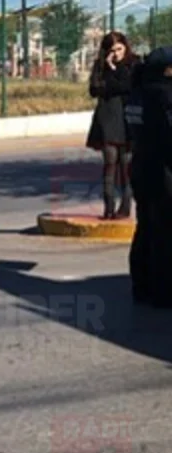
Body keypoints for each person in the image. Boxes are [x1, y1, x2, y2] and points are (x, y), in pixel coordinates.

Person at [129, 46, 172, 307]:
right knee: (165, 234)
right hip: (164, 172)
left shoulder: (136, 94)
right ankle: (163, 291)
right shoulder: (164, 95)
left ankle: (142, 286)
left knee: (145, 227)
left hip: (141, 168)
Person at [86, 32, 140, 220]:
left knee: (127, 167)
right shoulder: (101, 66)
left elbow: (128, 86)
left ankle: (124, 208)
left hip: (127, 121)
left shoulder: (134, 64)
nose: (116, 54)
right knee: (110, 165)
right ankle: (108, 207)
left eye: (119, 49)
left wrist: (113, 73)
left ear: (125, 47)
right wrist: (108, 69)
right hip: (107, 119)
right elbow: (94, 89)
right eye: (112, 51)